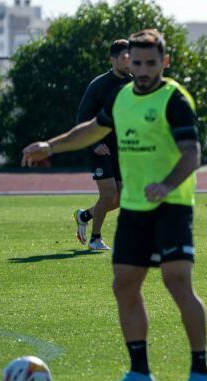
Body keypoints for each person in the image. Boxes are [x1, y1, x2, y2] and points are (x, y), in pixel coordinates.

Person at [21, 29, 207, 381]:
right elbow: (92, 129)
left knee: (177, 283)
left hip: (171, 206)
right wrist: (51, 145)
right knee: (124, 285)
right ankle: (140, 374)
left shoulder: (175, 99)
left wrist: (166, 185)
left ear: (164, 62)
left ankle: (200, 371)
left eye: (150, 63)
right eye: (137, 62)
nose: (142, 70)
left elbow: (192, 154)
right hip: (136, 209)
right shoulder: (123, 96)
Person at [73, 39, 132, 250]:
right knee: (108, 195)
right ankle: (95, 239)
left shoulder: (134, 84)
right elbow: (82, 118)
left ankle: (84, 216)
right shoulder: (98, 85)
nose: (129, 61)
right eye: (125, 57)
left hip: (123, 149)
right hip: (101, 148)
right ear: (113, 59)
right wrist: (94, 143)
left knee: (120, 198)